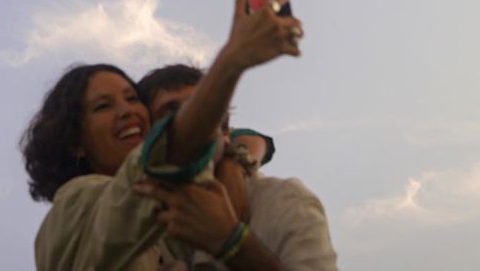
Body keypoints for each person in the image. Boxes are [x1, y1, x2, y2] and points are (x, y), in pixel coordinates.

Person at [21, 0, 304, 270]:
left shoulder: (171, 220)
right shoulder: (76, 206)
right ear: (75, 142)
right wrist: (232, 61)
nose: (126, 111)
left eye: (132, 98)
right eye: (102, 106)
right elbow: (171, 151)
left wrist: (233, 160)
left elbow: (217, 143)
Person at [134, 64, 340, 270]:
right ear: (147, 138)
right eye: (170, 113)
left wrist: (232, 242)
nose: (192, 122)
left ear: (225, 133)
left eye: (203, 111)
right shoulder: (134, 222)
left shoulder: (285, 201)